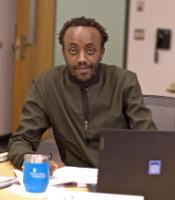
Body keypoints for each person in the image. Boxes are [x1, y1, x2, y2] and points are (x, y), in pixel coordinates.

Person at [8, 16, 156, 170]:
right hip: (73, 180)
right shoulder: (46, 84)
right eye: (73, 50)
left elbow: (150, 139)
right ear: (64, 52)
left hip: (119, 175)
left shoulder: (124, 81)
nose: (81, 59)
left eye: (90, 50)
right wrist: (28, 161)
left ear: (101, 52)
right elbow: (22, 139)